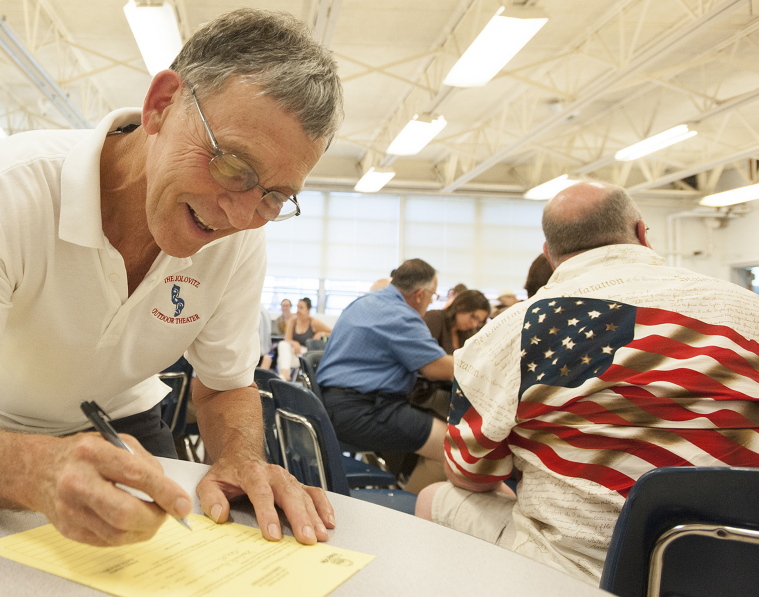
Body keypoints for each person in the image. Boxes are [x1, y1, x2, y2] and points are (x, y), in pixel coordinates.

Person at [0, 9, 344, 549]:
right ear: (161, 106)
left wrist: (241, 458)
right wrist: (36, 468)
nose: (239, 216)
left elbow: (226, 386)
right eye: (232, 165)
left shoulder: (242, 240)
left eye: (273, 195)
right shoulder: (8, 192)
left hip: (123, 421)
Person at [416, 181, 759, 585]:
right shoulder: (746, 309)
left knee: (432, 497)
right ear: (642, 233)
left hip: (575, 571)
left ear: (549, 253)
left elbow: (470, 474)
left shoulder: (509, 332)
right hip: (738, 562)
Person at [316, 259, 453, 465]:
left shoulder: (363, 302)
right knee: (459, 448)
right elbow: (438, 369)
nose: (432, 302)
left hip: (331, 406)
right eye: (433, 295)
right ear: (419, 294)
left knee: (428, 428)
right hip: (363, 411)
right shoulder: (401, 315)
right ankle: (418, 497)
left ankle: (409, 488)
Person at [276, 297, 332, 380]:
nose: (298, 310)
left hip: (305, 354)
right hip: (293, 352)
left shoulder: (313, 322)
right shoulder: (293, 321)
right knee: (282, 344)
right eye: (298, 307)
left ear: (308, 309)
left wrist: (321, 333)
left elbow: (332, 332)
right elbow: (287, 339)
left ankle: (283, 375)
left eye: (301, 308)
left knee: (281, 359)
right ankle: (284, 374)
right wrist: (295, 343)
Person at [422, 289, 490, 354]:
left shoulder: (467, 333)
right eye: (474, 317)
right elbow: (423, 352)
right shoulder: (435, 318)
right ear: (461, 306)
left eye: (479, 322)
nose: (474, 324)